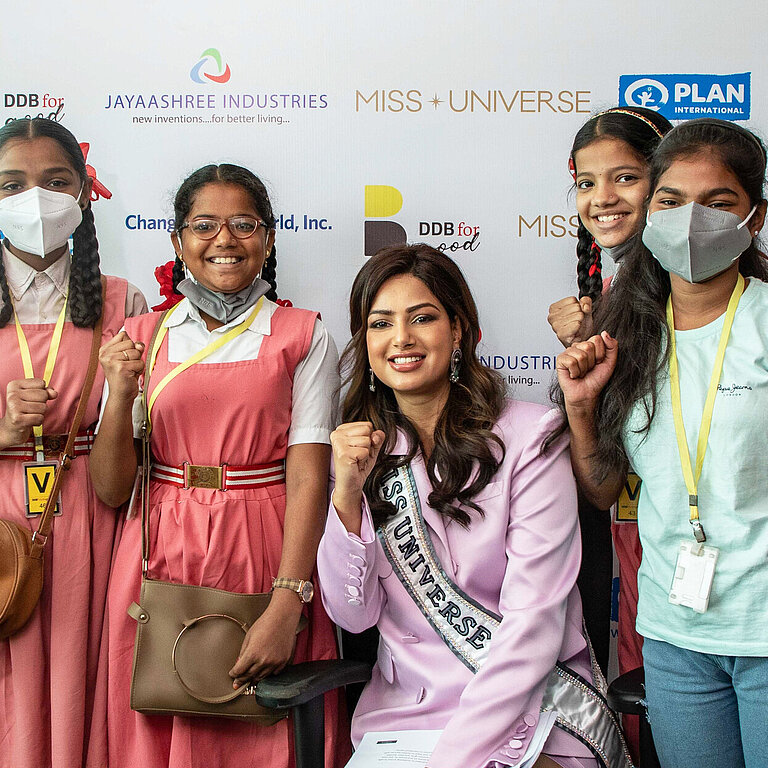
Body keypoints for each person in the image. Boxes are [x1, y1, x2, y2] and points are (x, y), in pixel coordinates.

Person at [318, 245, 631, 768]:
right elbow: (353, 616)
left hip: (535, 713)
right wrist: (346, 497)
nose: (402, 339)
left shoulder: (531, 436)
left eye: (423, 318)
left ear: (459, 331)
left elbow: (533, 627)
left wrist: (454, 759)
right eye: (380, 324)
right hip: (404, 720)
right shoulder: (360, 453)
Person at [90, 164, 348, 768]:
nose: (224, 240)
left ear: (270, 237)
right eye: (203, 225)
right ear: (177, 241)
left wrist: (289, 600)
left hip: (264, 542)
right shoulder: (139, 336)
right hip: (158, 546)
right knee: (159, 713)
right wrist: (120, 393)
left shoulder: (301, 334)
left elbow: (309, 474)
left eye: (243, 224)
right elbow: (109, 487)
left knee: (258, 721)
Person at [554, 118, 768, 768]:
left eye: (719, 203)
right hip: (675, 634)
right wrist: (583, 409)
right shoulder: (626, 334)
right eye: (673, 202)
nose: (691, 221)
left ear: (754, 219)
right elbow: (601, 488)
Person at [0, 117, 147, 768]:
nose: (35, 198)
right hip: (1, 524)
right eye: (12, 183)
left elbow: (132, 444)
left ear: (84, 195)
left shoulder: (122, 301)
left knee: (82, 682)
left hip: (90, 516)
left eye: (55, 181)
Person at [546, 110, 672, 739]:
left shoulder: (691, 284)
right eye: (586, 183)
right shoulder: (618, 290)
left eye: (625, 177)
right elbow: (604, 470)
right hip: (634, 531)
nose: (602, 199)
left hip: (685, 535)